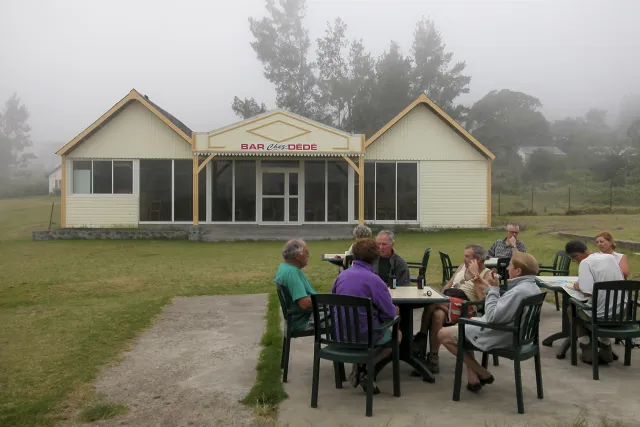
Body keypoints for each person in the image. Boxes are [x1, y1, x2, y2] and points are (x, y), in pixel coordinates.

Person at [438, 249, 541, 392]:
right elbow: (503, 304)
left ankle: (481, 372)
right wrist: (486, 285)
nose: (507, 268)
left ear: (518, 271)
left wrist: (493, 288)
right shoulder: (531, 287)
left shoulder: (518, 292)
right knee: (462, 328)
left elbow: (492, 316)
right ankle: (476, 375)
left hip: (501, 336)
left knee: (443, 334)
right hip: (517, 336)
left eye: (510, 266)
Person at [332, 239, 401, 394]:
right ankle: (367, 366)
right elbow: (389, 314)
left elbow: (333, 299)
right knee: (397, 334)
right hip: (365, 337)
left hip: (339, 335)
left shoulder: (341, 277)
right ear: (375, 258)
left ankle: (361, 366)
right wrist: (396, 311)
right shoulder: (375, 280)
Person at [413, 245, 491, 374]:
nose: (464, 258)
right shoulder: (461, 267)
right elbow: (449, 284)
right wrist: (441, 296)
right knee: (437, 315)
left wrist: (476, 276)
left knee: (431, 301)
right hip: (448, 301)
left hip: (466, 305)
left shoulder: (486, 274)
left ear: (477, 259)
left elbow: (482, 299)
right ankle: (433, 358)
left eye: (467, 256)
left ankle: (421, 337)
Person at [564, 240, 625, 364]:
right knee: (600, 307)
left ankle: (587, 350)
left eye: (574, 260)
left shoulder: (585, 263)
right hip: (620, 313)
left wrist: (577, 286)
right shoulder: (609, 258)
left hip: (601, 316)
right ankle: (606, 348)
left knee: (573, 309)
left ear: (576, 255)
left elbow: (587, 292)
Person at [274, 239, 317, 331]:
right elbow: (304, 304)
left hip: (305, 316)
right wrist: (326, 302)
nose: (308, 255)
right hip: (306, 320)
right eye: (307, 253)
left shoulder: (285, 267)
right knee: (344, 317)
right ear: (298, 256)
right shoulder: (292, 273)